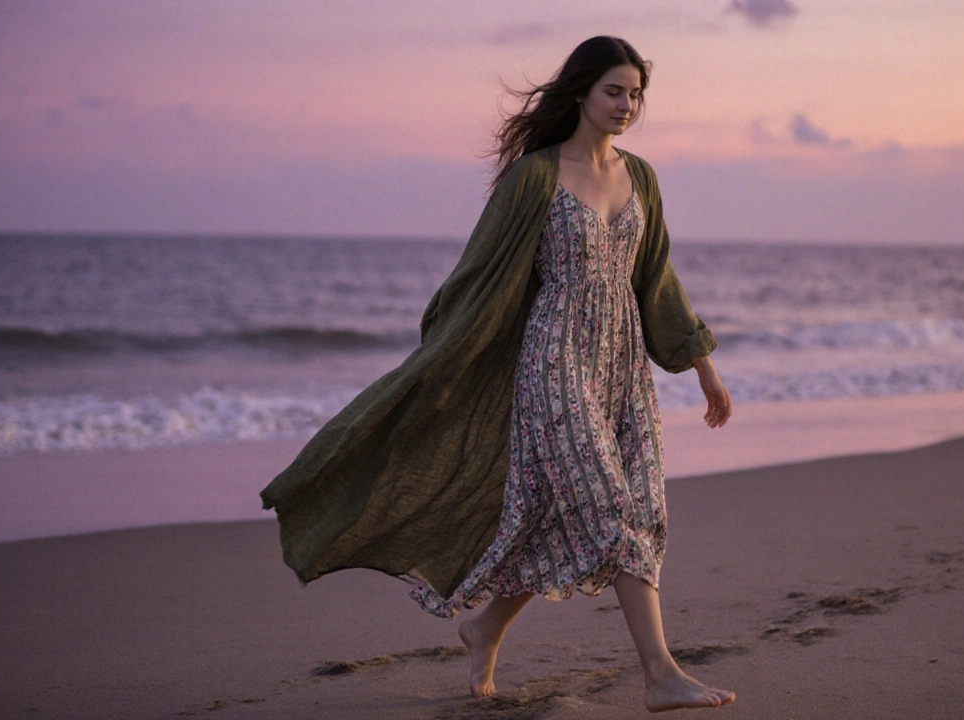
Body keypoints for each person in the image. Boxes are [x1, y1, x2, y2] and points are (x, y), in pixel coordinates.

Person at [261, 36, 735, 712]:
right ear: (580, 92)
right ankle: (660, 674)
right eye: (614, 91)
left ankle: (484, 629)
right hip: (555, 361)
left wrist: (703, 367)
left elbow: (657, 279)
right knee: (613, 513)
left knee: (595, 513)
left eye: (635, 94)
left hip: (624, 368)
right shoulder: (534, 177)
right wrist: (446, 355)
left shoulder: (642, 178)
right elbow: (479, 272)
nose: (626, 105)